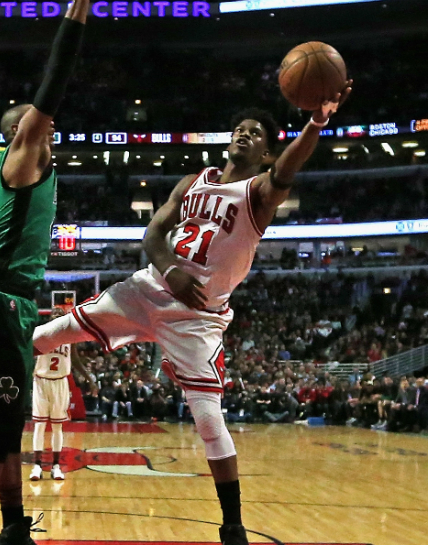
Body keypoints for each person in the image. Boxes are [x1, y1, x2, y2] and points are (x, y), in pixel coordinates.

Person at [33, 82, 352, 545]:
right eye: (239, 129)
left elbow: (288, 168)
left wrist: (317, 122)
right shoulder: (193, 181)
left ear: (266, 154)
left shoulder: (259, 192)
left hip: (199, 316)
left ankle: (233, 523)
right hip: (150, 288)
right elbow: (152, 235)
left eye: (255, 134)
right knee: (54, 330)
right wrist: (169, 270)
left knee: (208, 419)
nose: (243, 135)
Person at [0, 1, 89, 543]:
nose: (51, 130)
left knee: (6, 425)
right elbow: (53, 83)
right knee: (3, 425)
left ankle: (11, 525)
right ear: (24, 131)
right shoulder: (24, 155)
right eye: (42, 126)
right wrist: (75, 18)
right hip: (0, 299)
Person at [29, 307, 89, 482]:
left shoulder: (71, 337)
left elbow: (75, 359)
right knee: (39, 426)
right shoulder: (39, 333)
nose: (56, 314)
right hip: (41, 381)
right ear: (49, 318)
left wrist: (89, 379)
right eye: (54, 313)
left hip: (61, 382)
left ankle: (56, 466)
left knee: (57, 426)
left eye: (60, 313)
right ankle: (37, 466)